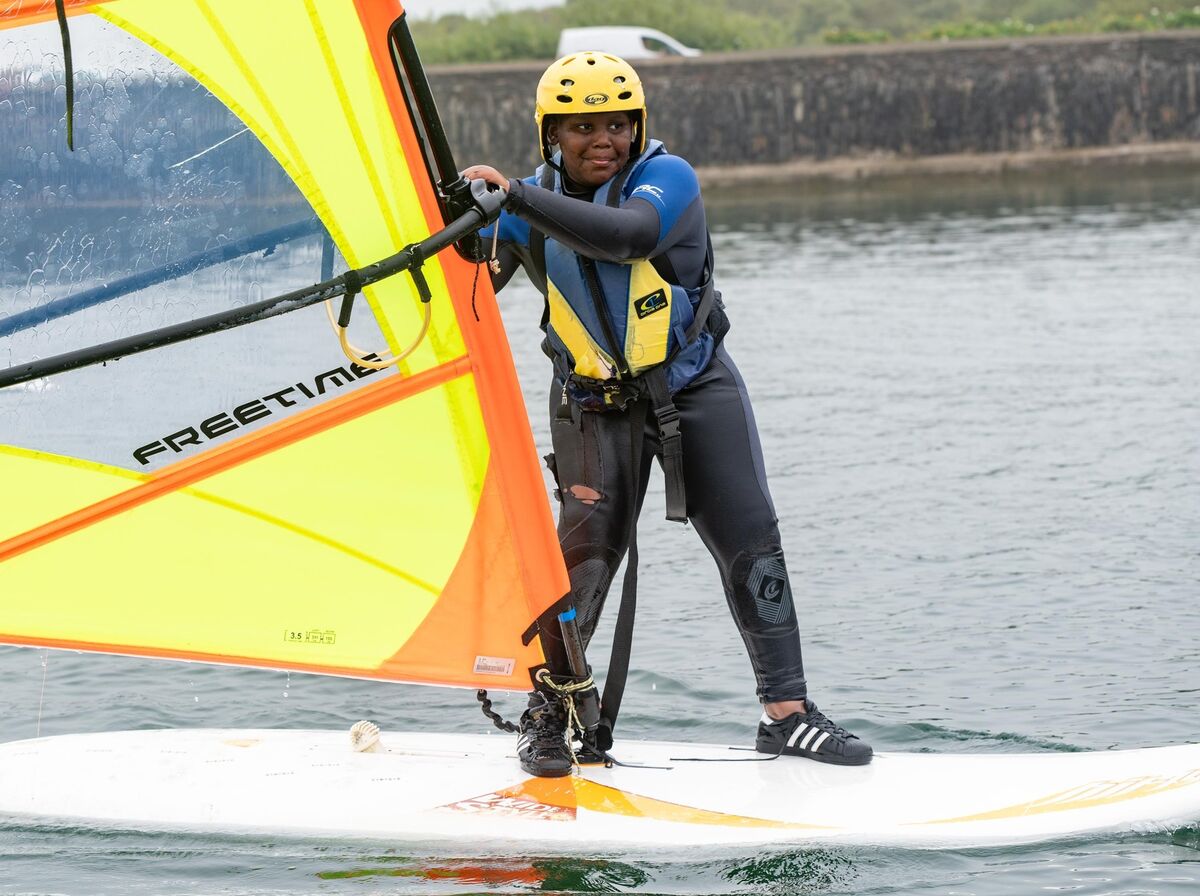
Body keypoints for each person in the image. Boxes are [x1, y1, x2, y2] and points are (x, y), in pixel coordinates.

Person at [464, 51, 872, 777]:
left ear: (637, 125)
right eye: (581, 126)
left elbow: (627, 238)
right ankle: (548, 715)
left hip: (693, 390)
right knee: (578, 568)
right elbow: (468, 283)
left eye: (616, 124)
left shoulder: (667, 179)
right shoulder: (525, 205)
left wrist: (516, 200)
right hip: (591, 404)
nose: (602, 139)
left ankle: (787, 716)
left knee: (752, 545)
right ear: (550, 135)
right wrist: (462, 215)